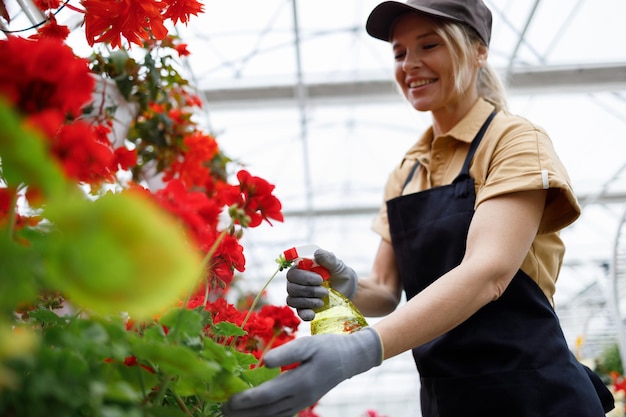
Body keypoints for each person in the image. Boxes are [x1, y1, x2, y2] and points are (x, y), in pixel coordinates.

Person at [222, 1, 616, 416]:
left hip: (536, 395)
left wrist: (362, 348)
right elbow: (388, 290)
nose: (410, 64)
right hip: (449, 400)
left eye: (429, 45)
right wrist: (346, 287)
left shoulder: (513, 140)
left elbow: (490, 273)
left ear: (479, 51)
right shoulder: (407, 171)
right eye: (399, 52)